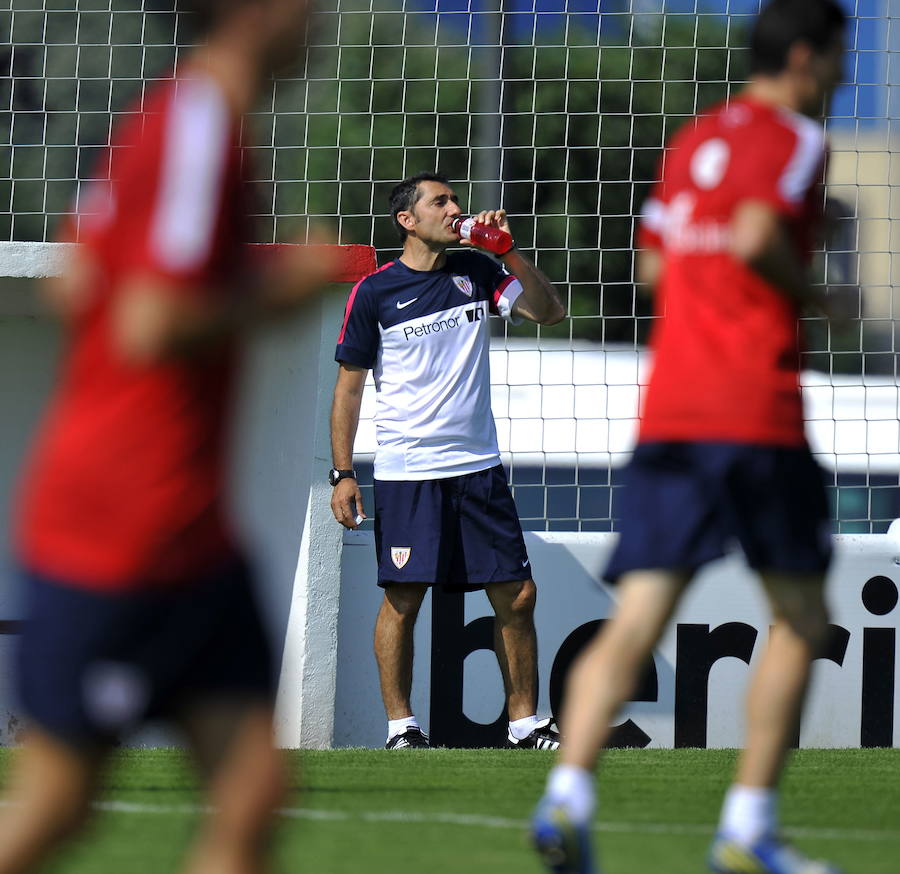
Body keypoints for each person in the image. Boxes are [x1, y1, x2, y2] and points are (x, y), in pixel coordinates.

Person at [0, 1, 338, 872]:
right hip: (125, 528)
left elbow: (80, 277)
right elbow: (151, 322)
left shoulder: (170, 116)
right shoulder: (198, 126)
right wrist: (279, 291)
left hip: (189, 533)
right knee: (57, 806)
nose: (323, 18)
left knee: (254, 789)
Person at [531, 1, 849, 873]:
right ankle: (747, 828)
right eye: (838, 58)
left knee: (636, 616)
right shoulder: (797, 142)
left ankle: (567, 795)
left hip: (671, 407)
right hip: (753, 413)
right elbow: (753, 235)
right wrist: (819, 301)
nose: (845, 77)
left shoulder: (692, 141)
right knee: (801, 616)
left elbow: (655, 266)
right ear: (803, 58)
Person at [330, 172, 567, 750]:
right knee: (404, 598)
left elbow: (548, 312)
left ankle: (525, 723)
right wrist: (343, 473)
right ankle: (401, 728)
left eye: (455, 200)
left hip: (479, 465)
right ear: (407, 220)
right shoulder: (374, 292)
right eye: (441, 202)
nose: (456, 209)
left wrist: (508, 252)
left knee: (517, 594)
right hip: (410, 472)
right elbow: (349, 388)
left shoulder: (479, 271)